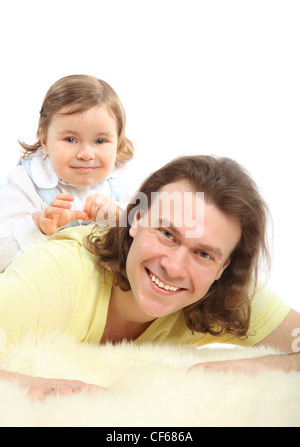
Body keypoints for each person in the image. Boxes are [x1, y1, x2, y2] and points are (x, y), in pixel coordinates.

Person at [0, 155, 299, 400]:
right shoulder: (57, 274)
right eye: (167, 234)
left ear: (223, 267)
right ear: (137, 219)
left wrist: (258, 368)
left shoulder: (224, 294)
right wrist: (33, 386)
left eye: (203, 254)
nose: (174, 267)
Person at [0, 74, 136, 272]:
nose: (86, 154)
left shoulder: (121, 182)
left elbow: (149, 233)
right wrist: (38, 226)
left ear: (117, 143)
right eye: (70, 139)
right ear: (45, 141)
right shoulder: (26, 183)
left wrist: (119, 217)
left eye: (100, 141)